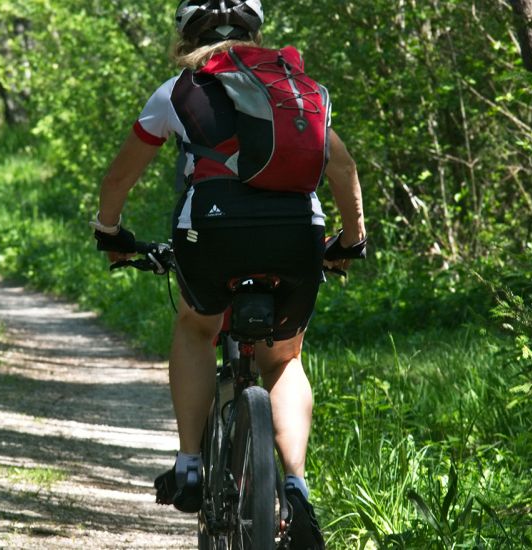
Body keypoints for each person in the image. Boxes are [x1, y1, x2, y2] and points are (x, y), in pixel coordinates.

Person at [91, 1, 366, 548]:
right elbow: (342, 168)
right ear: (255, 31)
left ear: (186, 34)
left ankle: (190, 464)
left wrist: (110, 231)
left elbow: (121, 176)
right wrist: (351, 242)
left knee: (197, 325)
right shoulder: (297, 90)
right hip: (297, 233)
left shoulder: (178, 91)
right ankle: (297, 488)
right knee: (284, 358)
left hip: (212, 233)